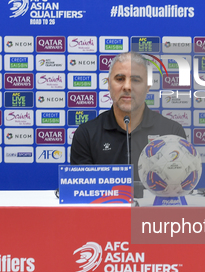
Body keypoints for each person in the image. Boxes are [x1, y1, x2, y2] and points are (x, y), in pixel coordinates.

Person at [70, 51, 186, 180]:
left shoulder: (172, 132)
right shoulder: (86, 134)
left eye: (136, 80)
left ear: (147, 86)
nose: (127, 86)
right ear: (108, 84)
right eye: (120, 79)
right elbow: (82, 190)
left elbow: (177, 184)